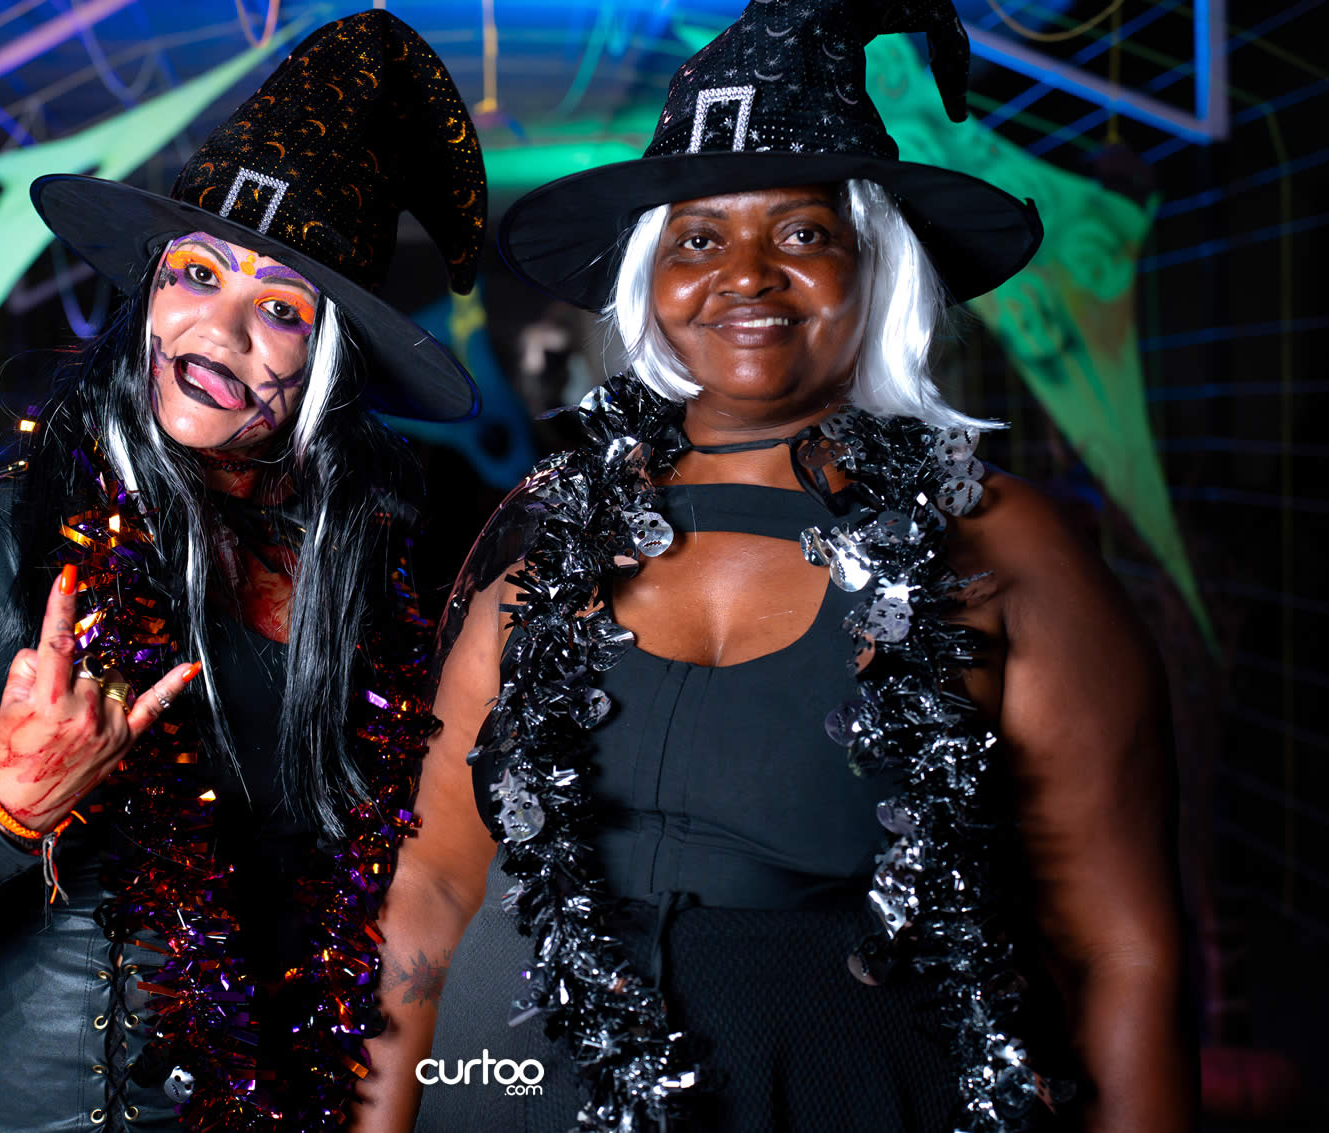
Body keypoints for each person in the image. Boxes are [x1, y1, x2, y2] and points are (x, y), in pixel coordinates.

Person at [355, 2, 1191, 1131]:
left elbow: (1119, 948)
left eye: (801, 233)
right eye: (697, 240)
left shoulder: (995, 545)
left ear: (876, 266)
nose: (744, 275)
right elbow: (434, 882)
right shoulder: (551, 536)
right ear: (651, 279)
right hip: (509, 1095)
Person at [0, 11, 486, 1131]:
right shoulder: (5, 548)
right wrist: (3, 813)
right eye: (195, 273)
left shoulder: (363, 583)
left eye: (278, 309)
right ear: (148, 295)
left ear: (330, 363)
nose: (218, 330)